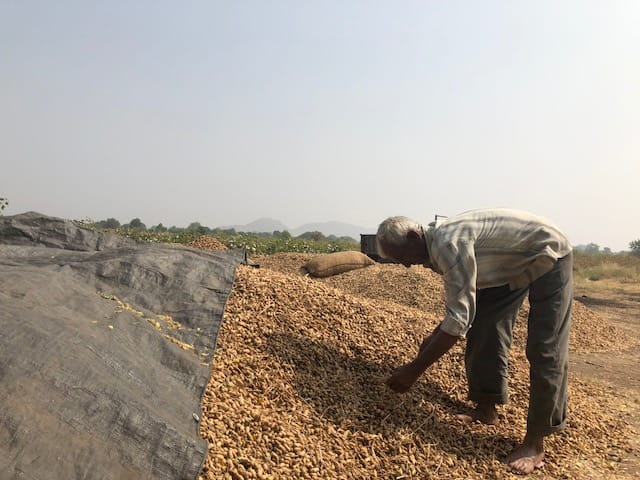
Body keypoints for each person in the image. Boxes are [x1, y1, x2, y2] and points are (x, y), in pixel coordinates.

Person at [375, 208, 573, 475]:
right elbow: (463, 310)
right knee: (484, 326)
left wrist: (414, 370)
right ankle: (486, 406)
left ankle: (535, 443)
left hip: (548, 253)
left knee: (545, 348)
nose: (408, 265)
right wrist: (433, 337)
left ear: (414, 236)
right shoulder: (435, 244)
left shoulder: (447, 244)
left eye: (403, 257)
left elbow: (457, 322)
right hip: (508, 266)